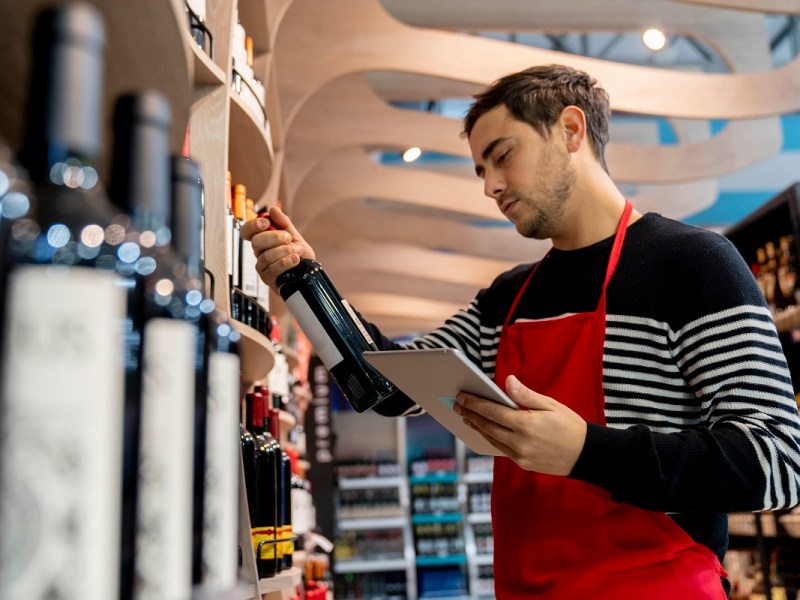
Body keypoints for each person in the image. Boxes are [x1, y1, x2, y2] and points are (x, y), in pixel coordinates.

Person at [241, 64, 800, 599]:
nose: (489, 186)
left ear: (571, 129)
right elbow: (381, 386)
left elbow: (776, 463)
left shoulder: (693, 265)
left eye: (501, 156)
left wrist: (585, 451)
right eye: (480, 170)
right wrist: (301, 280)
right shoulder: (507, 300)